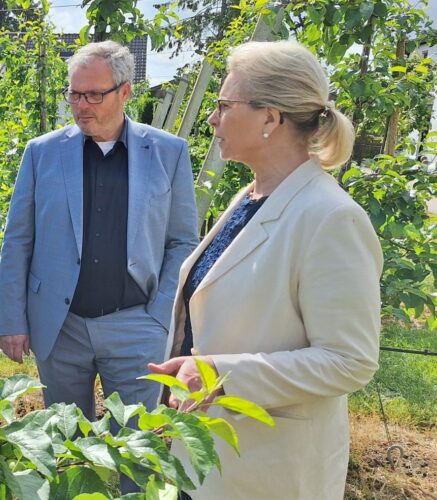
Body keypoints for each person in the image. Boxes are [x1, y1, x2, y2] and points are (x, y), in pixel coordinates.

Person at [148, 41, 381, 500]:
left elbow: (350, 360)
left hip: (269, 471)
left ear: (270, 118)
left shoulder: (331, 218)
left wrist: (217, 371)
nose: (213, 119)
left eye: (223, 105)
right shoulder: (253, 198)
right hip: (212, 459)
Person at [0, 41, 198, 420]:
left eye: (93, 95)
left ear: (124, 92)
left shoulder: (168, 153)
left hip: (137, 325)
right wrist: (12, 319)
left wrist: (159, 316)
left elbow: (182, 240)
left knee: (139, 448)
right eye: (74, 94)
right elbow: (18, 239)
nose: (81, 105)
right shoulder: (42, 153)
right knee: (65, 445)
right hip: (61, 326)